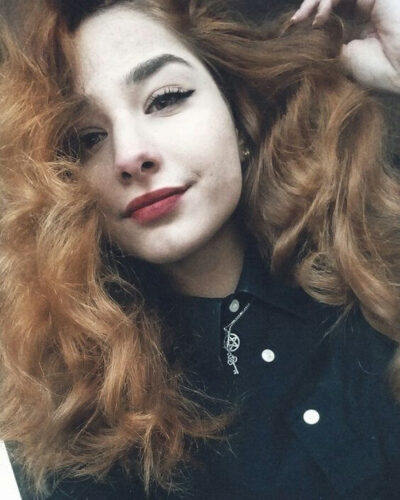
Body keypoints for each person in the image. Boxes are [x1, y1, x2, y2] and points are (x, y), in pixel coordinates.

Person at [1, 0, 400, 498]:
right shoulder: (72, 412)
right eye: (88, 138)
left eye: (165, 99)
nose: (130, 155)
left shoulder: (378, 254)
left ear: (235, 112)